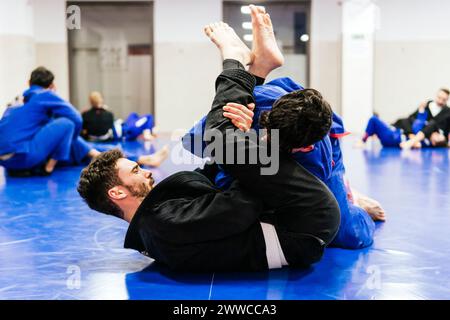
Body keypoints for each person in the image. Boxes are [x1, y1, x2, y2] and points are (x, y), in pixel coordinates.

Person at [77, 6, 340, 272]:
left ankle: (256, 71)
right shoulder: (160, 225)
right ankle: (240, 64)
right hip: (305, 221)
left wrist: (243, 142)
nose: (144, 171)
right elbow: (240, 207)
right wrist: (254, 143)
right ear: (117, 192)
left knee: (224, 139)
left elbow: (211, 175)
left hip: (295, 214)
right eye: (135, 170)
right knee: (221, 138)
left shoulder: (158, 214)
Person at [0, 67, 168, 177]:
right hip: (26, 157)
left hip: (7, 163)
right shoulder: (45, 95)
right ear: (52, 86)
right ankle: (142, 159)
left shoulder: (17, 102)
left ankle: (142, 159)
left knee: (86, 149)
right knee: (70, 129)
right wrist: (68, 141)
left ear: (28, 83)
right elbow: (75, 119)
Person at [360, 114, 448, 149]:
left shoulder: (426, 142)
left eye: (437, 137)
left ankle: (362, 141)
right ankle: (366, 138)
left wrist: (413, 142)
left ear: (434, 143)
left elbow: (418, 145)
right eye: (438, 134)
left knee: (373, 120)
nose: (436, 133)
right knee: (375, 124)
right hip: (394, 133)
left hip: (392, 137)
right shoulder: (426, 135)